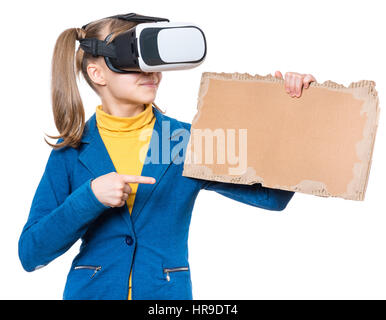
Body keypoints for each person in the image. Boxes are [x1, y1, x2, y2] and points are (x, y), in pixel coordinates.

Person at [18, 15, 316, 300]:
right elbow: (31, 253)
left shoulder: (184, 142)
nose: (151, 73)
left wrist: (292, 112)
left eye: (154, 61)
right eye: (134, 62)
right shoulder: (72, 149)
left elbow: (273, 198)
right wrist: (90, 197)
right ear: (98, 73)